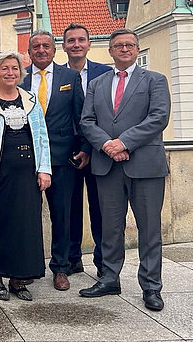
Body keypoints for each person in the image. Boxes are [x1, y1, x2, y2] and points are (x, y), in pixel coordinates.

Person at [79, 29, 170, 312]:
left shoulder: (154, 80)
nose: (124, 49)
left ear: (137, 48)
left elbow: (159, 117)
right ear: (110, 51)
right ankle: (109, 278)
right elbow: (87, 120)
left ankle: (151, 287)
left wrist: (124, 142)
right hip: (107, 166)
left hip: (144, 166)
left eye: (130, 44)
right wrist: (107, 144)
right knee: (110, 229)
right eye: (118, 45)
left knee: (149, 230)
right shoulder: (97, 83)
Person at [0, 51, 51, 301]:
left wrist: (44, 169)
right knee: (1, 225)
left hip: (28, 173)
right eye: (4, 68)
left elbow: (41, 136)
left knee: (27, 227)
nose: (10, 72)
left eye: (14, 68)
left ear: (20, 73)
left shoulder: (30, 100)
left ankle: (19, 279)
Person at [20, 30, 87, 291]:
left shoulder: (70, 77)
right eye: (35, 46)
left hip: (62, 158)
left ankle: (60, 268)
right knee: (28, 215)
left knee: (62, 215)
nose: (41, 50)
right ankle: (28, 267)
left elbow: (80, 116)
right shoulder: (19, 76)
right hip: (27, 159)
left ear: (54, 49)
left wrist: (85, 148)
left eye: (46, 46)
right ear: (29, 51)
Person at [61, 23, 112, 278]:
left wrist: (94, 146)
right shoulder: (57, 75)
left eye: (81, 40)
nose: (76, 45)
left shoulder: (106, 73)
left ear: (89, 44)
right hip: (68, 149)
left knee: (99, 207)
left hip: (99, 148)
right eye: (71, 41)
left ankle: (103, 262)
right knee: (70, 207)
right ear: (64, 46)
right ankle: (72, 259)